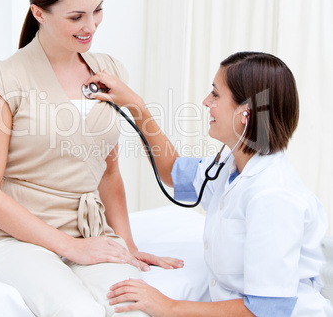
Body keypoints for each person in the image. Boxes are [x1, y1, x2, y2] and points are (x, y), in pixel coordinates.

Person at [0, 0, 183, 317]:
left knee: (133, 308)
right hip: (16, 240)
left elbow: (109, 172)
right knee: (75, 310)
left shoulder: (109, 71)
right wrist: (71, 247)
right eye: (76, 17)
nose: (91, 26)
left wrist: (126, 244)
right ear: (39, 13)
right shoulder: (4, 81)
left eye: (97, 11)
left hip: (93, 234)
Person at [84, 52, 333, 317]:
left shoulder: (273, 196)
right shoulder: (233, 164)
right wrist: (137, 107)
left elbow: (268, 309)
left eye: (215, 94)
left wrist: (168, 306)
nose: (205, 102)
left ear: (245, 113)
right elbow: (172, 172)